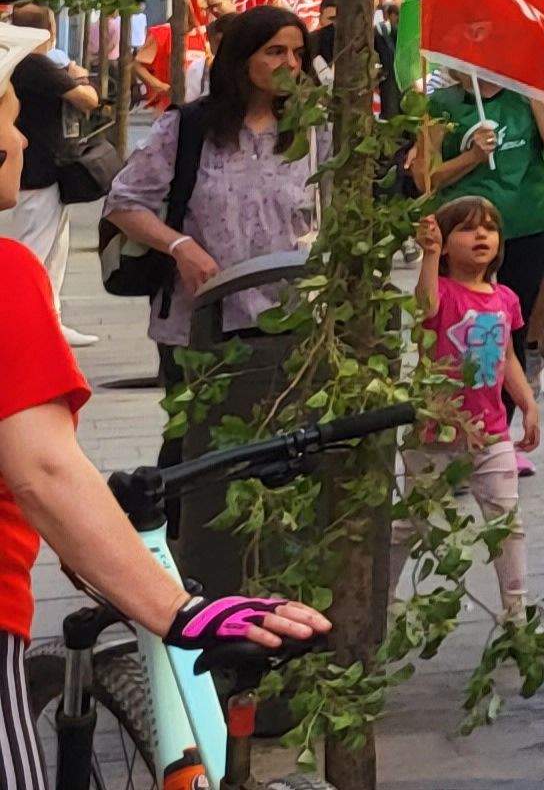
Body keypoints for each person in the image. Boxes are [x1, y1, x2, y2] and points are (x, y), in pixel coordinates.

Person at [0, 66, 330, 764]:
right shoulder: (7, 277)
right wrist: (180, 612)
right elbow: (45, 470)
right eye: (8, 121)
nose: (21, 143)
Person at [105, 5, 322, 370]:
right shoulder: (188, 127)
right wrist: (180, 246)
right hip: (199, 320)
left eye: (298, 53)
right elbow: (123, 202)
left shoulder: (314, 130)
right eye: (275, 51)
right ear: (240, 58)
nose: (291, 64)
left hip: (290, 319)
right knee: (198, 426)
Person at [415, 194, 538, 618]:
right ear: (446, 244)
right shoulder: (443, 292)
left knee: (507, 523)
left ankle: (516, 612)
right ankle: (386, 605)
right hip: (437, 429)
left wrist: (527, 401)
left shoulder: (505, 297)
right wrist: (428, 257)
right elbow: (425, 306)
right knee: (407, 524)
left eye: (489, 227)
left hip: (490, 429)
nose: (481, 235)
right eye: (467, 228)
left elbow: (506, 356)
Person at [416, 76, 544, 355]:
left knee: (516, 319)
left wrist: (534, 89)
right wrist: (472, 158)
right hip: (464, 232)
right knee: (458, 317)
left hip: (528, 224)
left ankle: (509, 388)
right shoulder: (442, 103)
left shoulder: (530, 95)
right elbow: (425, 178)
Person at [4, 10, 99, 349]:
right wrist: (80, 76)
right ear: (49, 30)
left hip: (37, 167)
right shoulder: (37, 65)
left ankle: (50, 319)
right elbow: (88, 100)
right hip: (40, 168)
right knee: (36, 251)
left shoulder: (15, 64)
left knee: (52, 249)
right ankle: (28, 323)